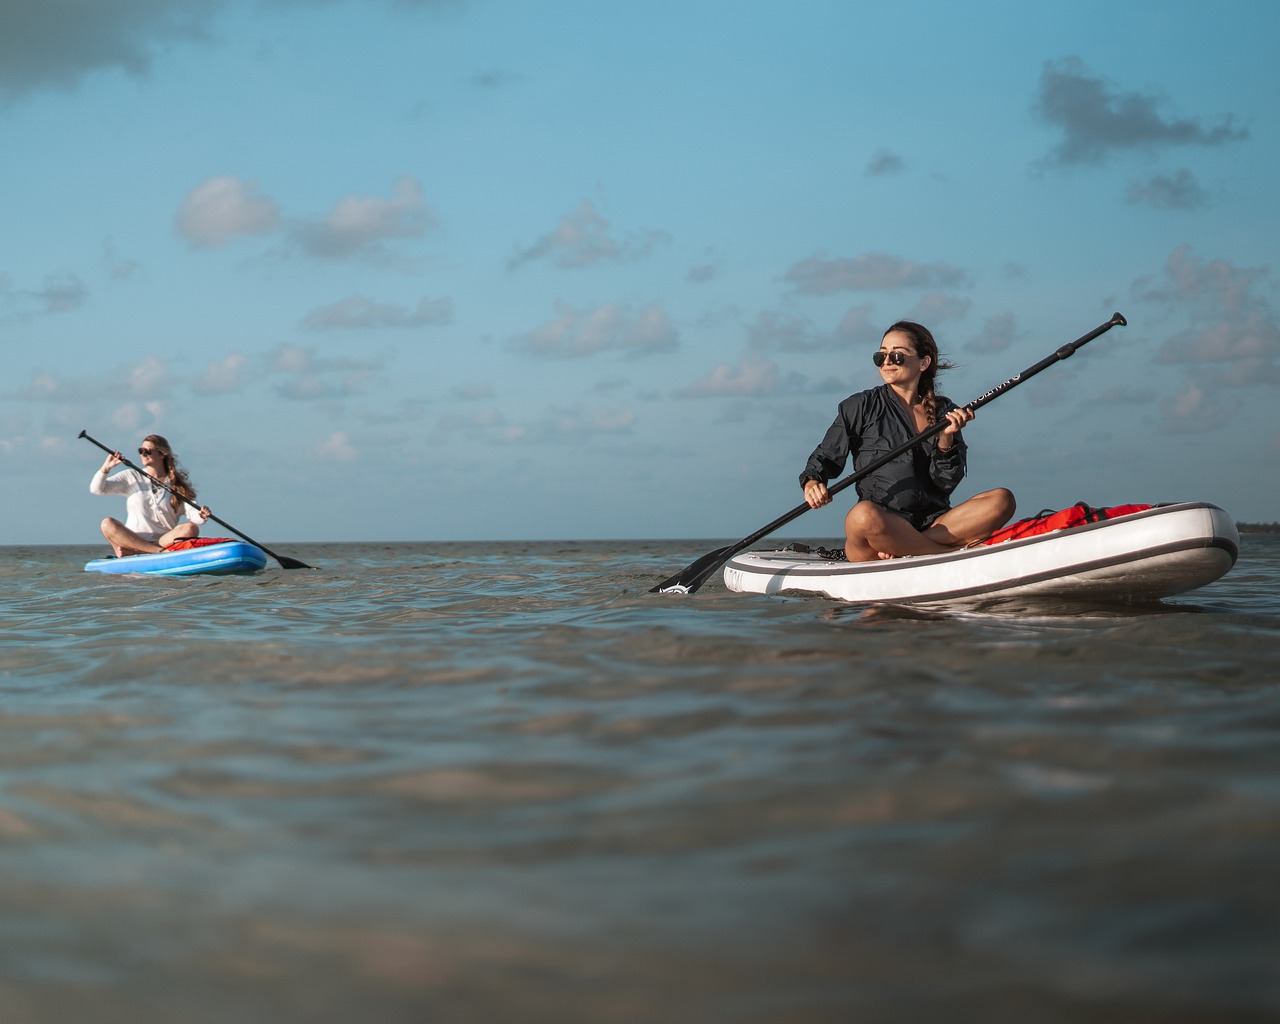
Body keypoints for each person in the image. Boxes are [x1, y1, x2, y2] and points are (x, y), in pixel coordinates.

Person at [800, 320, 1015, 562]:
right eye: (881, 356)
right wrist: (812, 482)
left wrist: (946, 438)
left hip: (935, 525)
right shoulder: (860, 405)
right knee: (861, 516)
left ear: (924, 362)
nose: (888, 361)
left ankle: (909, 548)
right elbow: (825, 456)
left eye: (898, 355)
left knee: (1002, 499)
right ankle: (948, 554)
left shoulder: (945, 410)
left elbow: (945, 484)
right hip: (880, 527)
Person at [90, 434, 211, 557]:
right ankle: (155, 551)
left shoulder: (178, 485)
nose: (143, 454)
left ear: (162, 454)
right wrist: (105, 469)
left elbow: (193, 513)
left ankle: (141, 551)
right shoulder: (131, 476)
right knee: (107, 523)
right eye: (141, 451)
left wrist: (201, 515)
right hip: (133, 539)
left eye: (147, 451)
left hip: (163, 541)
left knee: (191, 528)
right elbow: (97, 489)